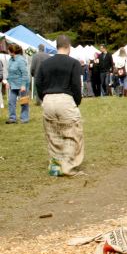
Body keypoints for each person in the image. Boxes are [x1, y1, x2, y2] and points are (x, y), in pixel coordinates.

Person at [35, 35, 84, 176]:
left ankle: (55, 167)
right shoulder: (74, 63)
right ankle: (68, 167)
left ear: (57, 46)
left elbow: (38, 82)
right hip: (65, 99)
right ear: (68, 47)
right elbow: (76, 85)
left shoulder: (45, 63)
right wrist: (76, 101)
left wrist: (44, 97)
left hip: (48, 99)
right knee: (72, 134)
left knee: (53, 134)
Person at [5, 44, 30, 124]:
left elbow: (25, 74)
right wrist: (8, 82)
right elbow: (10, 72)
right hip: (13, 85)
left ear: (13, 51)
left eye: (9, 50)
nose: (7, 51)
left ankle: (24, 118)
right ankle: (12, 118)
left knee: (23, 102)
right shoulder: (10, 59)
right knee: (11, 102)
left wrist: (23, 85)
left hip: (21, 85)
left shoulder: (21, 60)